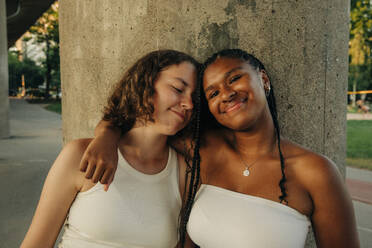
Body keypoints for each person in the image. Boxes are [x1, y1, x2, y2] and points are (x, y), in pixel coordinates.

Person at [81, 49, 359, 248]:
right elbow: (141, 118)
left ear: (263, 79)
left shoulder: (315, 171)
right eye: (212, 93)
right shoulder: (202, 149)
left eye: (234, 78)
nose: (225, 94)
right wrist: (106, 135)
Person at [20, 49, 199, 248]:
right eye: (178, 89)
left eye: (194, 97)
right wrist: (107, 135)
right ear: (145, 83)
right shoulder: (80, 154)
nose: (189, 104)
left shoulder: (184, 171)